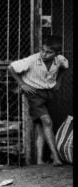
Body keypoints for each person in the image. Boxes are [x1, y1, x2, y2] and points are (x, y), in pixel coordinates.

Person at [8, 35, 69, 166]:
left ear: (57, 54)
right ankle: (56, 157)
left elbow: (65, 67)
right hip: (34, 94)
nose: (44, 54)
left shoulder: (60, 60)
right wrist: (22, 84)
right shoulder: (32, 60)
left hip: (48, 93)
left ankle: (39, 160)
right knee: (47, 121)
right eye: (43, 50)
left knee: (41, 127)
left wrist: (58, 81)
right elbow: (11, 68)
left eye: (49, 52)